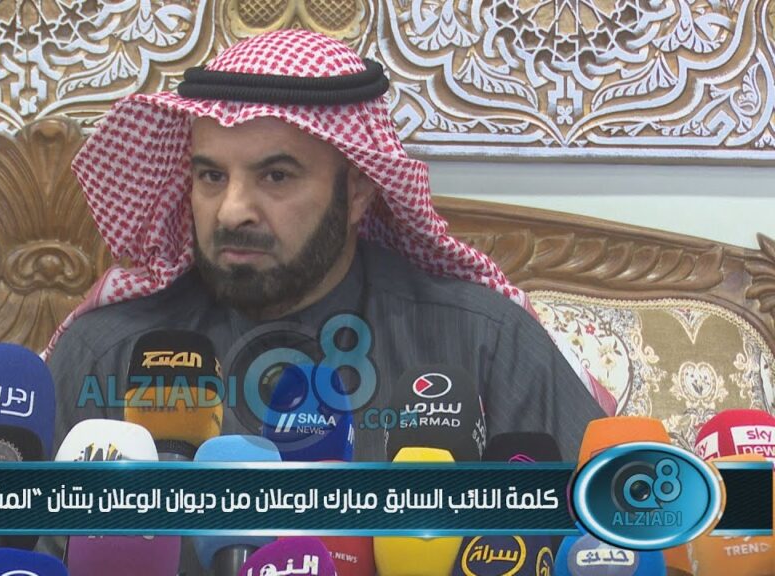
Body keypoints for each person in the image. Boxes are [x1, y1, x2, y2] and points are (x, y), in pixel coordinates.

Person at [44, 30, 612, 463]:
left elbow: (610, 533)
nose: (232, 210)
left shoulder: (485, 341)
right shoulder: (108, 353)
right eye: (211, 176)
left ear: (358, 191)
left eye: (276, 176)